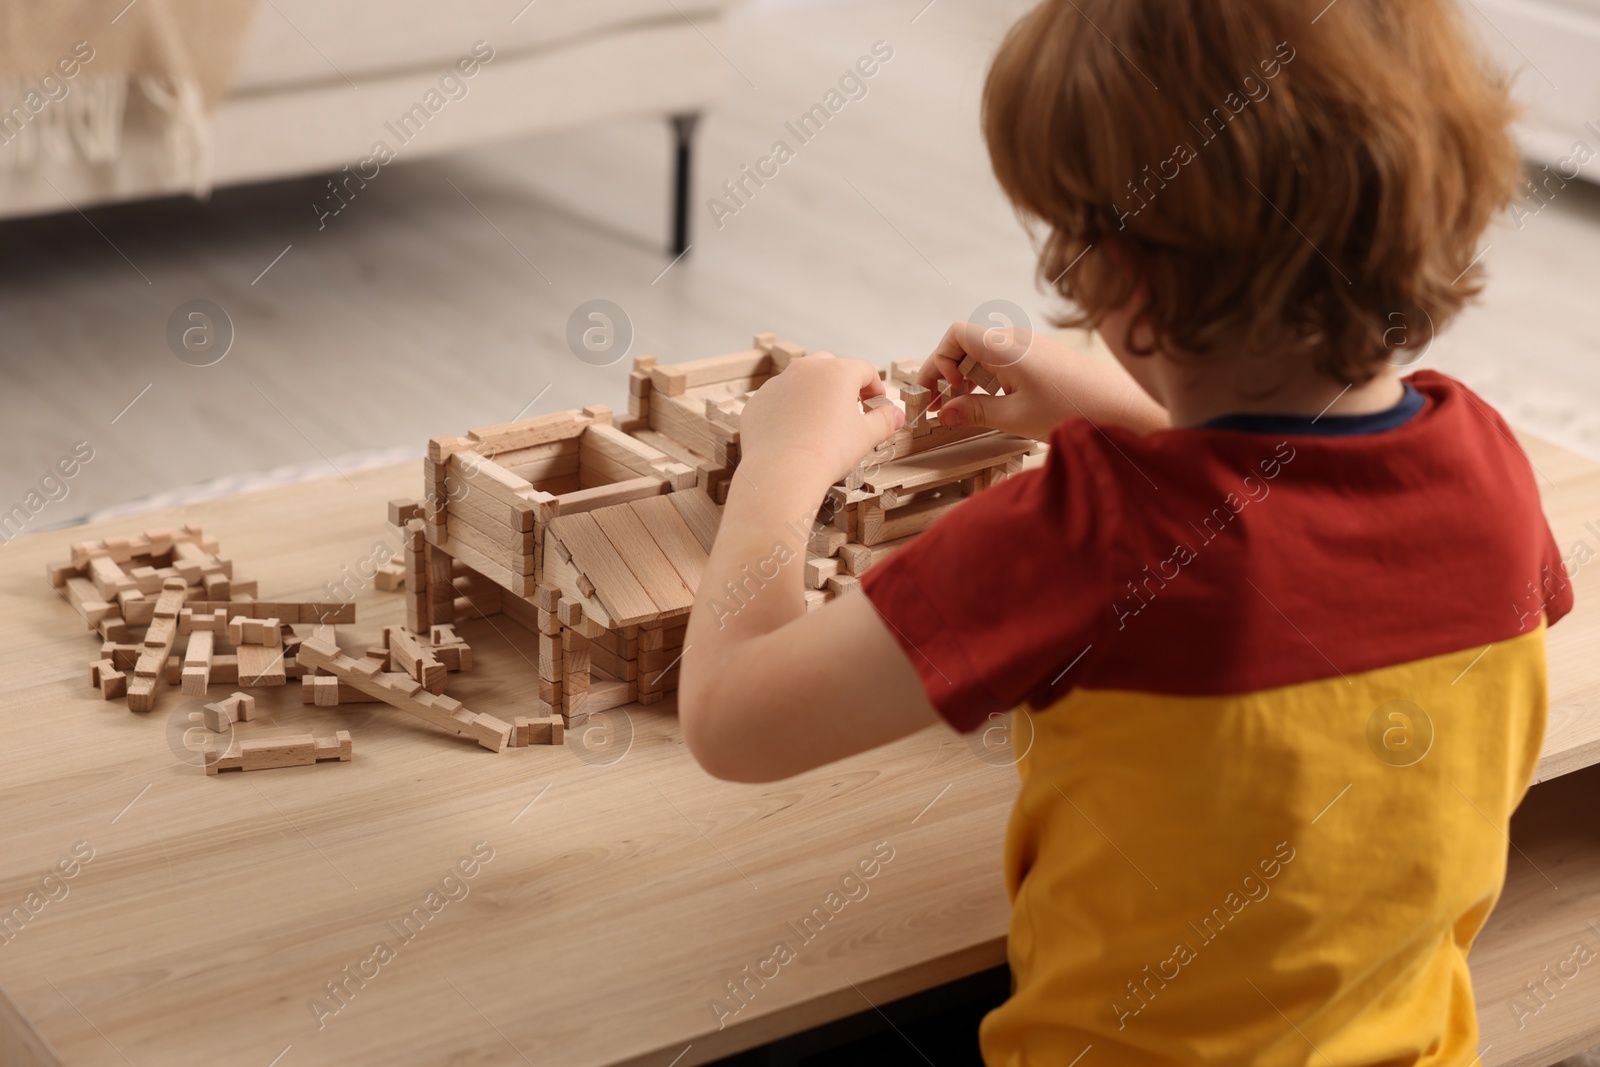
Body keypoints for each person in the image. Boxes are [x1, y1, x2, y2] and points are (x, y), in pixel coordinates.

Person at [679, 0, 1572, 1060]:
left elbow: (735, 718)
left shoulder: (1087, 532)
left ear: (1121, 276)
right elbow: (1289, 525)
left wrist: (780, 461)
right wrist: (1120, 407)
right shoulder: (1488, 466)